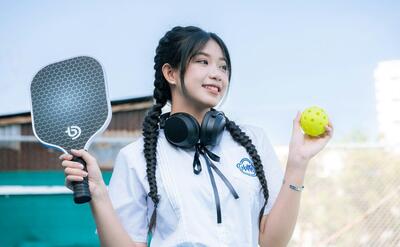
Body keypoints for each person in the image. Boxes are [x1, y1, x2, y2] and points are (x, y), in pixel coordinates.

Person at [60, 26, 333, 247]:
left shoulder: (254, 141)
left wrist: (298, 163)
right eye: (203, 62)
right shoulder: (136, 157)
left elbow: (272, 242)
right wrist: (99, 196)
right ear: (170, 73)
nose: (217, 74)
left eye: (223, 67)